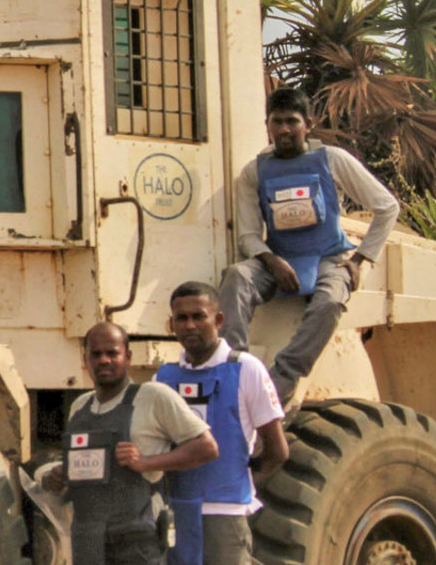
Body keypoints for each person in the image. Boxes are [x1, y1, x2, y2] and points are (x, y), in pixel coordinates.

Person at [221, 88, 400, 401]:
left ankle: (283, 379)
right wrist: (271, 261)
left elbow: (387, 206)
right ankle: (232, 370)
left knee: (330, 300)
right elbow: (248, 235)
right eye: (277, 122)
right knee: (236, 276)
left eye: (292, 121)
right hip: (279, 260)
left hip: (330, 258)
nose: (285, 129)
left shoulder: (332, 159)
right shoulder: (254, 172)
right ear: (268, 125)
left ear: (308, 124)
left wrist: (360, 259)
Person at [43, 323, 217, 565]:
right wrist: (61, 476)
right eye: (96, 354)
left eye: (112, 353)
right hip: (87, 543)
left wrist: (146, 462)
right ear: (85, 359)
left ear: (128, 356)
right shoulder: (80, 407)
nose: (104, 360)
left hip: (136, 544)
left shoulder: (154, 396)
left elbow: (206, 447)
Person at [155, 282, 290, 565]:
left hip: (225, 515)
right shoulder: (164, 378)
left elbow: (277, 451)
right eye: (182, 318)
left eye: (198, 316)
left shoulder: (246, 369)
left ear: (217, 320)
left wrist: (238, 478)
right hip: (177, 512)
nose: (190, 325)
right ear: (172, 324)